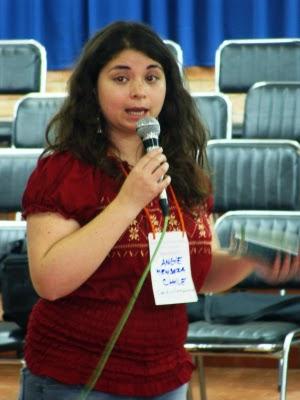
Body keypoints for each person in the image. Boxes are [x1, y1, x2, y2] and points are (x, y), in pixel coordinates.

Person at [18, 21, 300, 400]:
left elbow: (193, 273)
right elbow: (49, 281)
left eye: (152, 77)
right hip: (77, 378)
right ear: (93, 88)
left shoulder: (183, 173)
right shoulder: (63, 171)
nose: (139, 91)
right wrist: (128, 202)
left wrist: (249, 260)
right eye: (121, 78)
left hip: (165, 377)